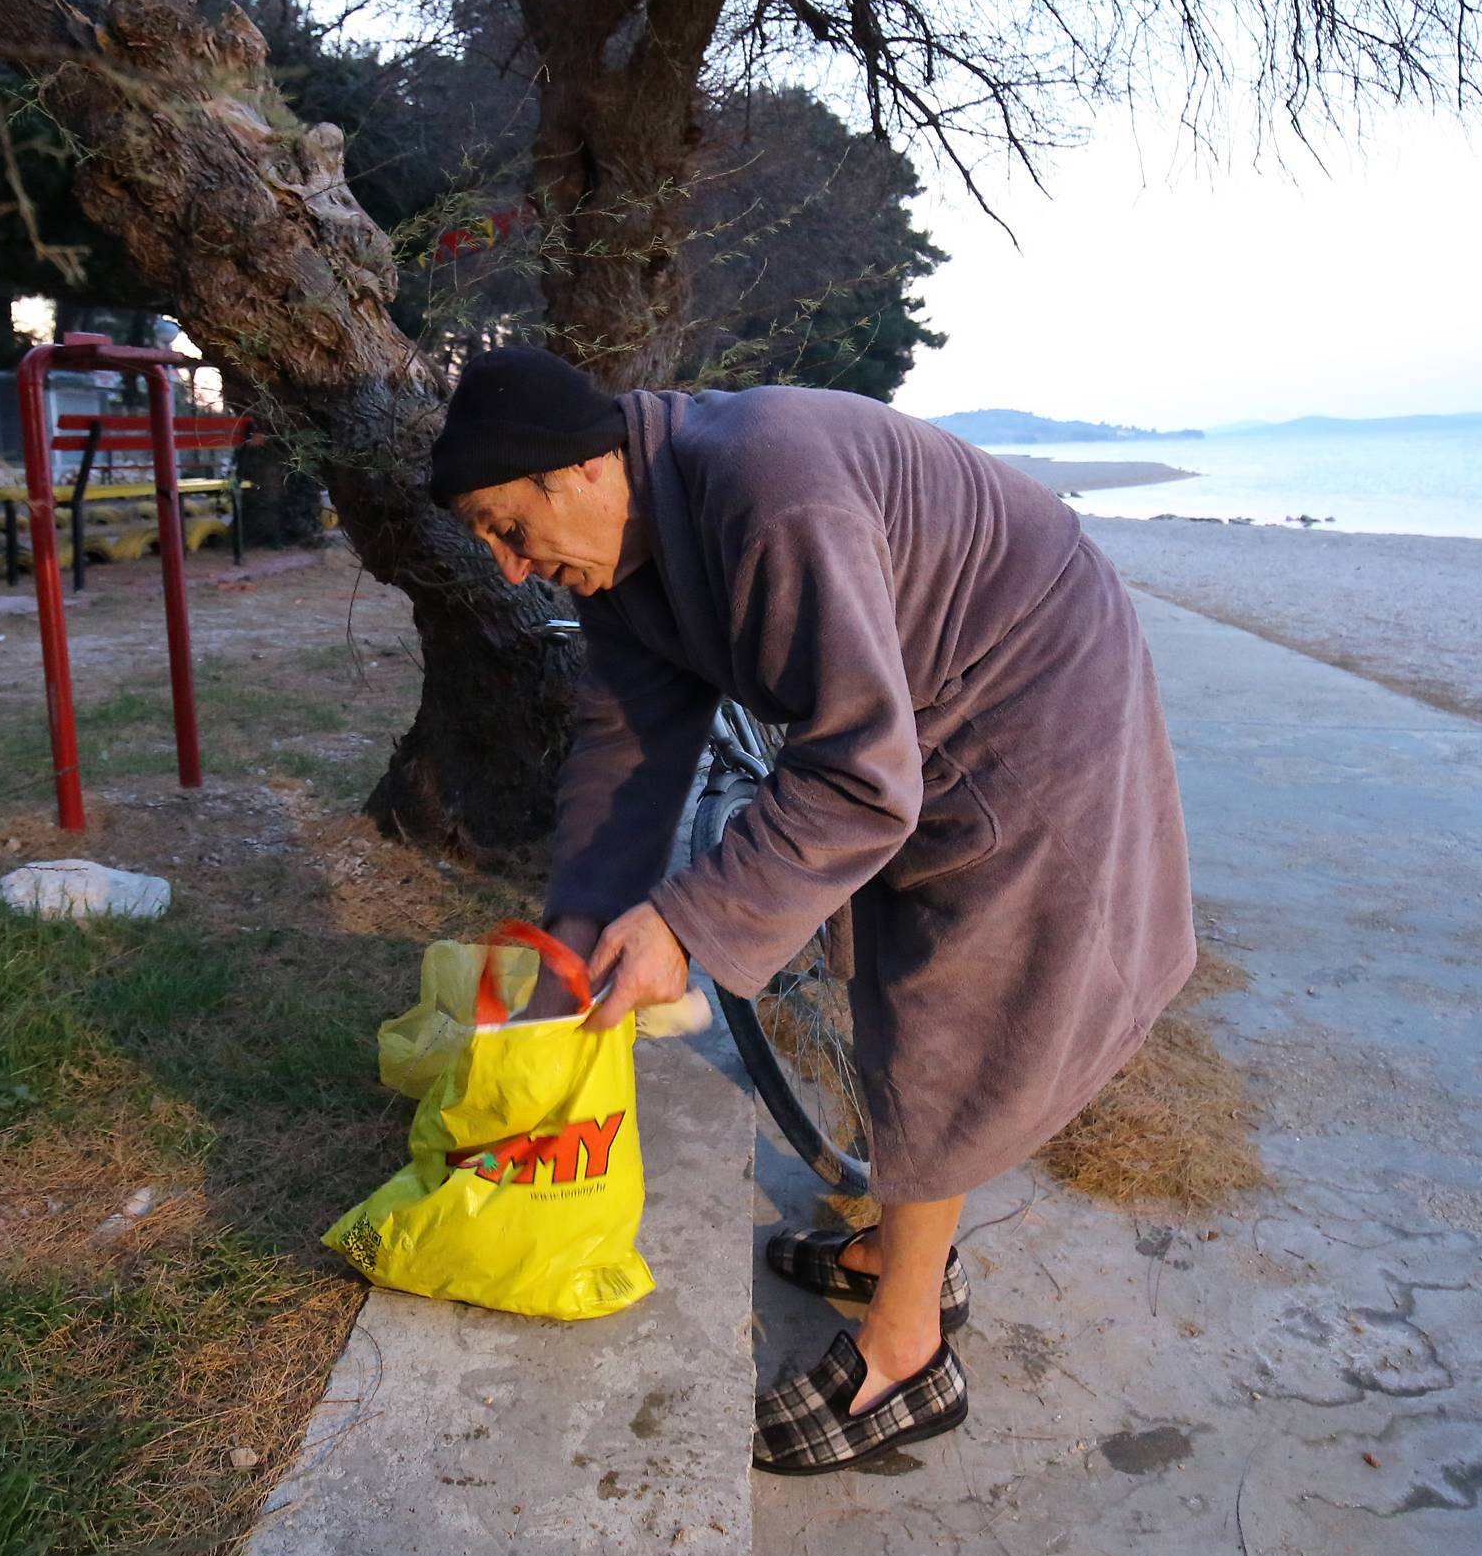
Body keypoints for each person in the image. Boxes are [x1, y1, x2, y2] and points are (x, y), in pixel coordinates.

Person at [430, 346, 1195, 1474]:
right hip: (905, 694)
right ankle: (901, 1248)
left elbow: (860, 779)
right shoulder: (619, 553)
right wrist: (574, 948)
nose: (508, 570)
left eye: (507, 528)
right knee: (884, 962)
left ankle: (908, 1353)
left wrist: (687, 924)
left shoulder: (764, 482)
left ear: (583, 470)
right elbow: (623, 754)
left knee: (949, 992)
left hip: (1026, 674)